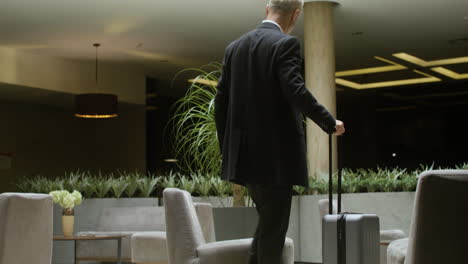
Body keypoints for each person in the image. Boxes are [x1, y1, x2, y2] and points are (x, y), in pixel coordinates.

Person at [214, 0, 345, 263]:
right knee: (273, 231)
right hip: (275, 160)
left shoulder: (234, 48)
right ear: (296, 15)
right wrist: (329, 122)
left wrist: (228, 149)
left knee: (268, 226)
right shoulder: (285, 44)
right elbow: (295, 90)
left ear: (267, 8)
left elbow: (221, 102)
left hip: (245, 160)